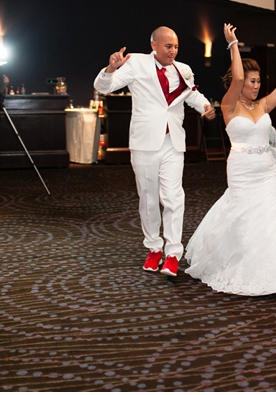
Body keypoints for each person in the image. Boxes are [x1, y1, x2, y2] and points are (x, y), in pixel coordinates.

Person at [185, 24, 276, 296]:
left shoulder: (263, 105)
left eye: (259, 81)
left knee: (271, 214)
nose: (256, 86)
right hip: (241, 169)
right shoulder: (229, 105)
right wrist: (233, 44)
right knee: (244, 216)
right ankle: (238, 261)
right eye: (252, 81)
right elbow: (236, 78)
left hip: (266, 170)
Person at [93, 26, 216, 277]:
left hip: (173, 142)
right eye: (168, 46)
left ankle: (172, 253)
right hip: (145, 142)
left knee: (173, 196)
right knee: (148, 197)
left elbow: (190, 95)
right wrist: (110, 69)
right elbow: (104, 87)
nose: (173, 51)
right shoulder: (136, 63)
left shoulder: (184, 70)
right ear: (154, 45)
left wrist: (205, 105)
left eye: (176, 47)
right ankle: (153, 248)